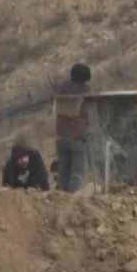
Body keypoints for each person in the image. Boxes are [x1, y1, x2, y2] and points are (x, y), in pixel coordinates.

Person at [55, 63, 93, 193]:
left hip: (61, 137)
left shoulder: (61, 89)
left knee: (63, 171)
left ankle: (61, 197)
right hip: (78, 138)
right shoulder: (85, 91)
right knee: (77, 173)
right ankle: (71, 200)